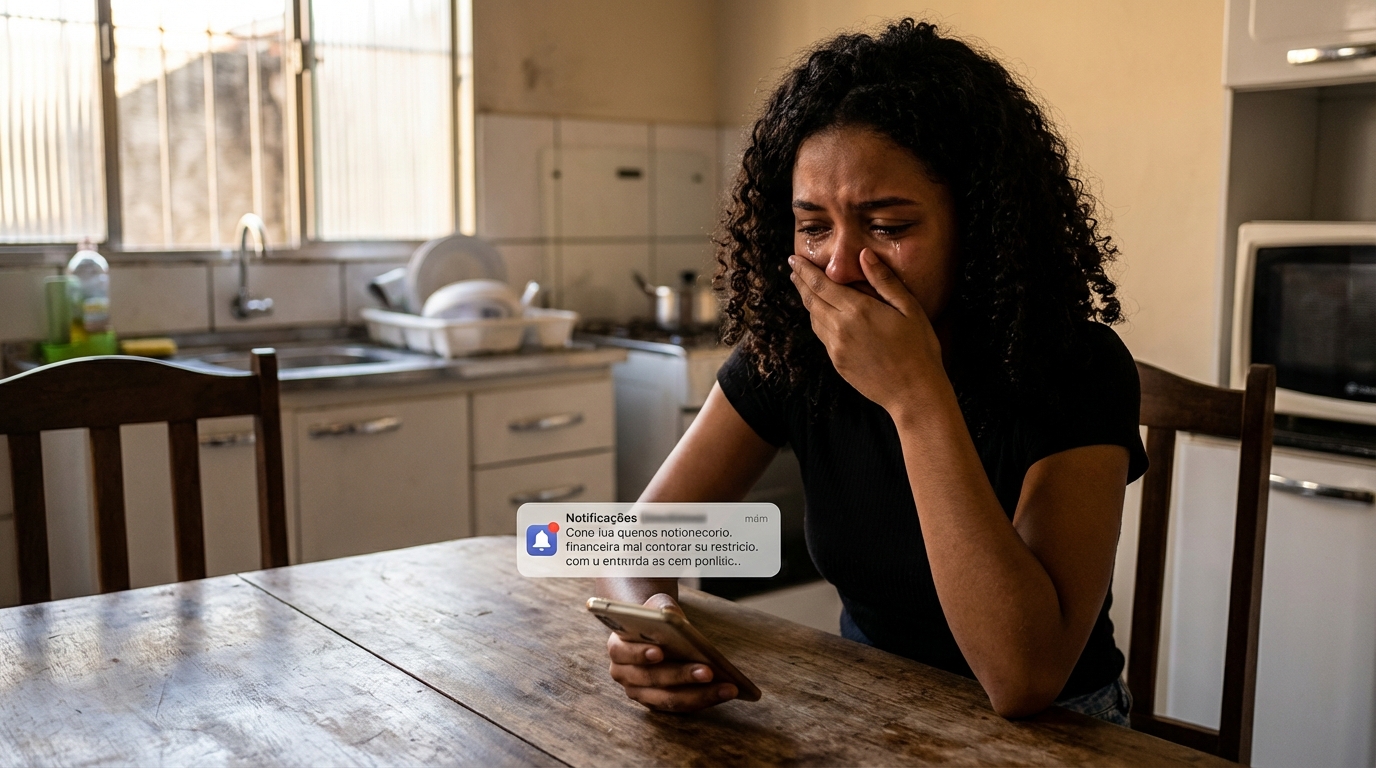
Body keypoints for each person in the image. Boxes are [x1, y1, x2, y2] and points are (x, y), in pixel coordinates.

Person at [596, 18, 1147, 724]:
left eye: (888, 227)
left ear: (978, 225)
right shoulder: (794, 350)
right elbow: (638, 538)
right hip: (873, 705)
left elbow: (1023, 677)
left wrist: (917, 397)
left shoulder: (1076, 368)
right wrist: (648, 631)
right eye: (813, 226)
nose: (840, 266)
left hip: (1060, 730)